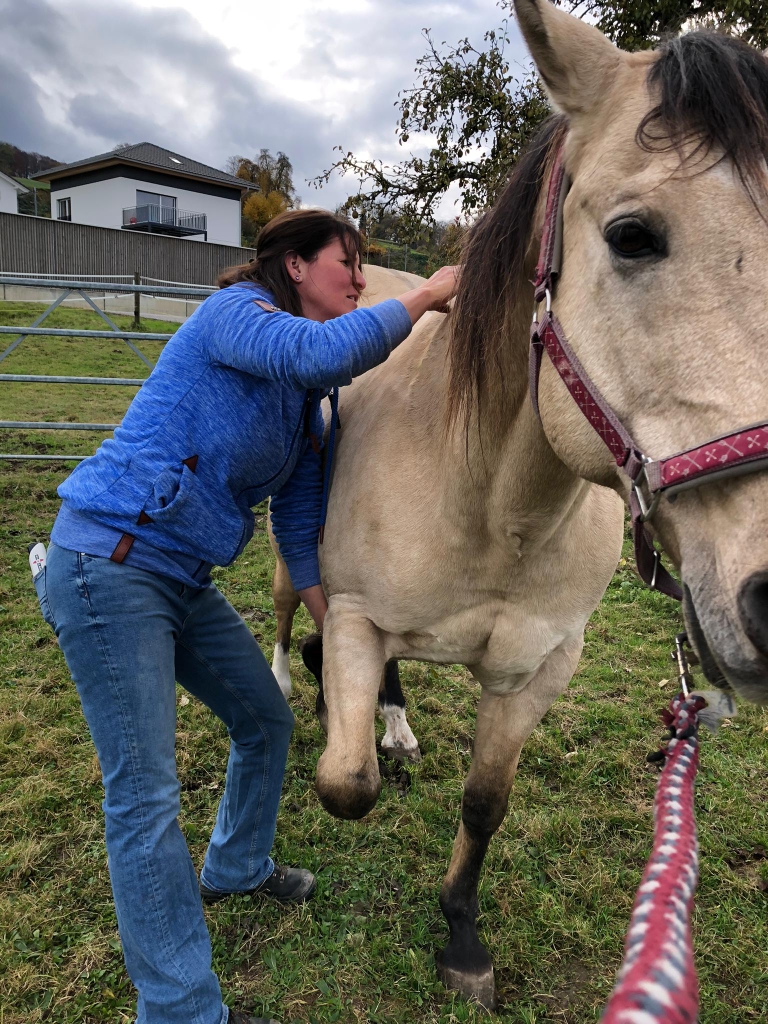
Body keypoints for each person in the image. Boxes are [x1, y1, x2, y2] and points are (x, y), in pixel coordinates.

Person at [35, 207, 459, 1024]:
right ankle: (181, 1009)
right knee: (145, 798)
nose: (362, 278)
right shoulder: (238, 316)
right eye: (349, 261)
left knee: (266, 720)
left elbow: (298, 527)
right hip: (109, 564)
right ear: (295, 267)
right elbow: (319, 348)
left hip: (180, 579)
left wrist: (341, 636)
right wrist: (432, 292)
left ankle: (233, 864)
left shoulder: (313, 405)